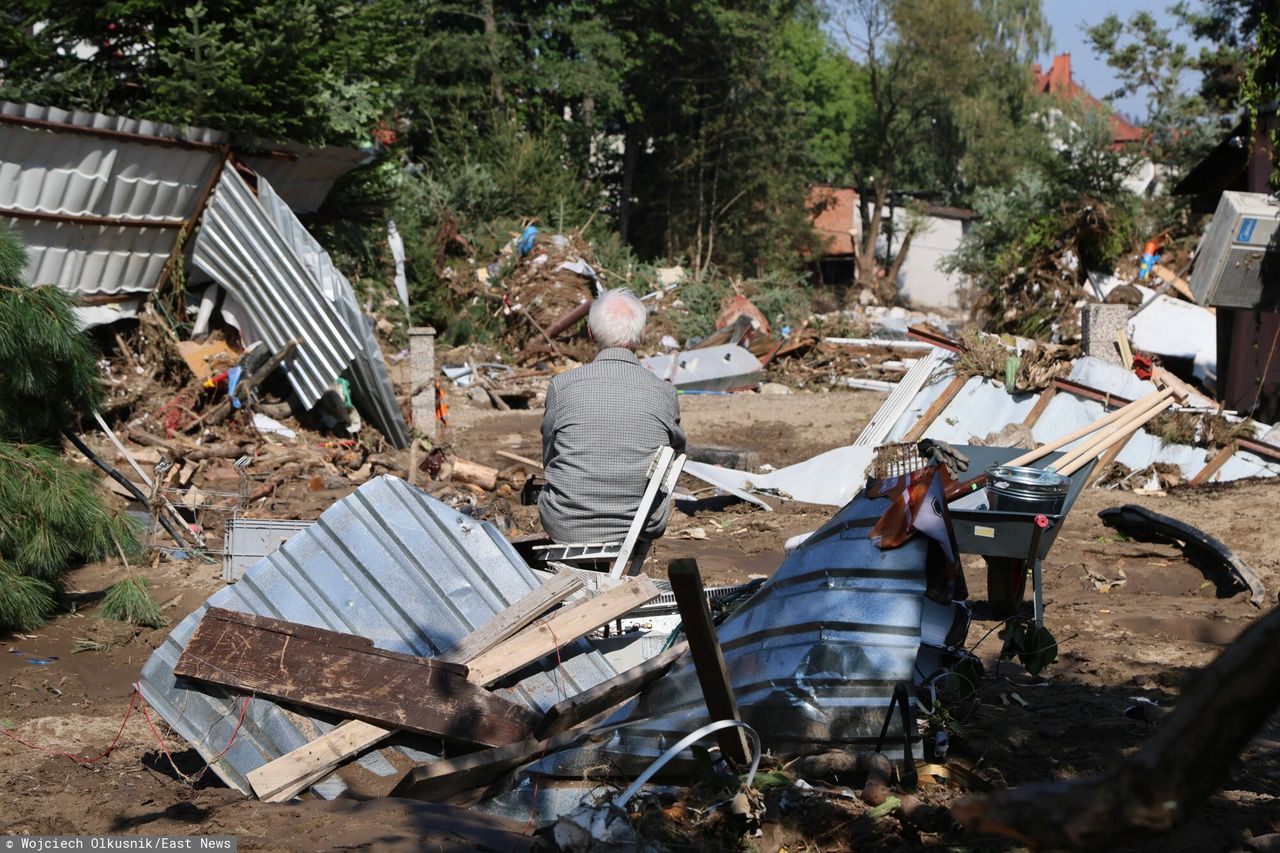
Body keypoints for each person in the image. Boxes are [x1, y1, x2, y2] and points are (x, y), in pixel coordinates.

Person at [538, 288, 685, 546]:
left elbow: (550, 457)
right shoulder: (665, 393)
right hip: (640, 525)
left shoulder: (561, 386)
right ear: (643, 334)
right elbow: (675, 458)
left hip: (566, 524)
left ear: (591, 333)